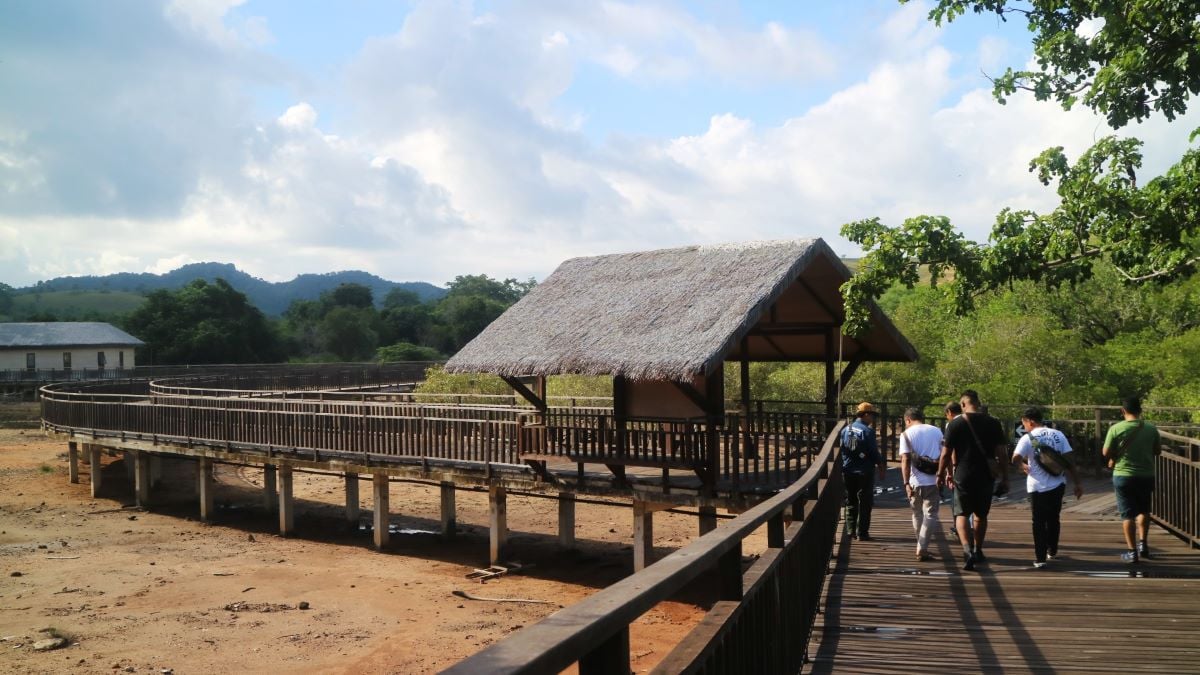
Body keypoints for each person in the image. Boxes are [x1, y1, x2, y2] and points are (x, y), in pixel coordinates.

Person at [939, 390, 1009, 570]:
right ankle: (978, 549)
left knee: (961, 514)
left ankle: (966, 549)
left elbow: (946, 454)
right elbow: (1002, 453)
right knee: (981, 515)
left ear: (963, 404)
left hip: (963, 475)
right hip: (986, 475)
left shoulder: (955, 424)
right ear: (978, 403)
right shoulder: (993, 423)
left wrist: (940, 475)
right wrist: (1005, 477)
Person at [1011, 406, 1083, 568]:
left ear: (1030, 421)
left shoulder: (1028, 438)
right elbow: (1069, 461)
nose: (1024, 426)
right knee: (1053, 518)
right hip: (1058, 483)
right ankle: (1052, 549)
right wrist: (1077, 483)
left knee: (1038, 521)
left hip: (1036, 486)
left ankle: (1040, 558)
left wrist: (1022, 466)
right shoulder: (1058, 435)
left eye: (1024, 423)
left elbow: (1015, 458)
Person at [1103, 397, 1161, 563]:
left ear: (1123, 411)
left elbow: (1105, 452)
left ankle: (1132, 552)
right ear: (1140, 410)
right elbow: (1157, 451)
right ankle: (1143, 545)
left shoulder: (1116, 428)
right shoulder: (1151, 429)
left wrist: (1114, 457)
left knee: (1127, 514)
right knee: (1144, 510)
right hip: (1146, 475)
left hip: (1123, 476)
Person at [899, 407, 944, 561]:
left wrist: (906, 483)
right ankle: (922, 547)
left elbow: (905, 459)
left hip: (914, 481)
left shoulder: (906, 435)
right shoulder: (936, 431)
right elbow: (944, 455)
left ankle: (921, 545)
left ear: (908, 420)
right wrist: (945, 474)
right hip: (933, 480)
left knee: (917, 513)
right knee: (930, 514)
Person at [841, 401, 886, 541]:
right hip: (864, 470)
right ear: (866, 414)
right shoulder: (867, 431)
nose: (873, 419)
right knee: (865, 501)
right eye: (872, 415)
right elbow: (873, 452)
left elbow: (843, 449)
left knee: (851, 499)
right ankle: (862, 532)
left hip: (848, 470)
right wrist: (881, 465)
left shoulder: (845, 429)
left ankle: (850, 530)